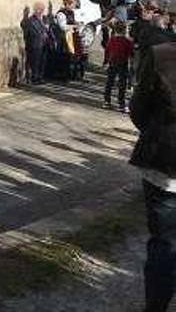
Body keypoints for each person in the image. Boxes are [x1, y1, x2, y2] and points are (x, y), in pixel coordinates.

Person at [127, 40, 176, 312]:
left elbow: (139, 110)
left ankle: (155, 308)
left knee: (164, 242)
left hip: (165, 161)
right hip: (165, 165)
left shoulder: (162, 55)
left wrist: (159, 133)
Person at [103, 21, 132, 112]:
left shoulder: (112, 39)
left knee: (109, 82)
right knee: (122, 83)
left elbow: (107, 50)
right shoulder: (127, 41)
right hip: (123, 62)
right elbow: (130, 53)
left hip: (112, 61)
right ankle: (121, 104)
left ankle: (107, 101)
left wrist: (105, 62)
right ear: (124, 30)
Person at [24, 2, 50, 85]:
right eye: (38, 9)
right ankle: (34, 78)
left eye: (42, 9)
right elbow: (31, 32)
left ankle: (40, 77)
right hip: (36, 43)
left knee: (43, 61)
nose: (40, 11)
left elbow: (49, 29)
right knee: (35, 62)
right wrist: (42, 33)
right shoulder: (31, 20)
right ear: (34, 10)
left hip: (45, 43)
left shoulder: (45, 18)